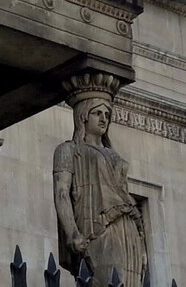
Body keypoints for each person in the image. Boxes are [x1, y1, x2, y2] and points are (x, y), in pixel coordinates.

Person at [53, 89, 148, 283]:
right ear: (83, 117)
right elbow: (62, 192)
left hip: (126, 227)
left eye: (107, 115)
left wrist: (142, 244)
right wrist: (72, 232)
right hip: (96, 227)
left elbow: (124, 195)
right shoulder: (68, 150)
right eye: (97, 113)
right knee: (107, 279)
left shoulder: (113, 155)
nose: (104, 119)